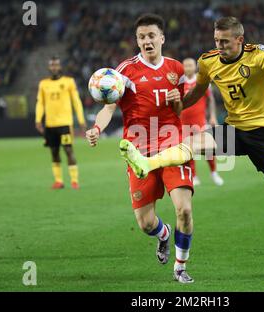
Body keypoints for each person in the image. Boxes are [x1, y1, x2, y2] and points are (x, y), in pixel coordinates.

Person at [120, 16, 264, 278]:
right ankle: (147, 163)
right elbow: (198, 91)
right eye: (216, 40)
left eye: (225, 41)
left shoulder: (258, 55)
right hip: (234, 130)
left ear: (240, 40)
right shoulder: (208, 61)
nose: (220, 45)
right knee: (191, 143)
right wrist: (178, 103)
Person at [85, 14, 195, 283]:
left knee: (184, 209)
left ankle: (180, 268)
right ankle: (163, 235)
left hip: (172, 146)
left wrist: (177, 101)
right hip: (138, 152)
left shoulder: (176, 69)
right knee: (146, 223)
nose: (147, 41)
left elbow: (180, 110)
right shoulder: (124, 72)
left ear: (162, 38)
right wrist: (96, 128)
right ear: (137, 41)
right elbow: (109, 107)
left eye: (151, 36)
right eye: (142, 37)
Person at [35, 56, 86, 190]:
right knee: (54, 152)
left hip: (64, 124)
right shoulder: (43, 84)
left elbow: (76, 101)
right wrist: (38, 119)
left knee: (68, 150)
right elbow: (40, 103)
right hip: (50, 125)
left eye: (56, 65)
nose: (54, 67)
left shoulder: (69, 82)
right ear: (48, 67)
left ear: (60, 66)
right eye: (52, 65)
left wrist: (81, 120)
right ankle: (58, 181)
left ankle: (74, 181)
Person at [180, 58, 224, 186]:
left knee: (209, 149)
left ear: (195, 67)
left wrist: (213, 116)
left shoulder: (202, 82)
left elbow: (210, 100)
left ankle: (214, 173)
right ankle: (194, 176)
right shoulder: (180, 83)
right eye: (186, 65)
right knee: (189, 150)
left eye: (190, 65)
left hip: (200, 121)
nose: (188, 67)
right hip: (183, 123)